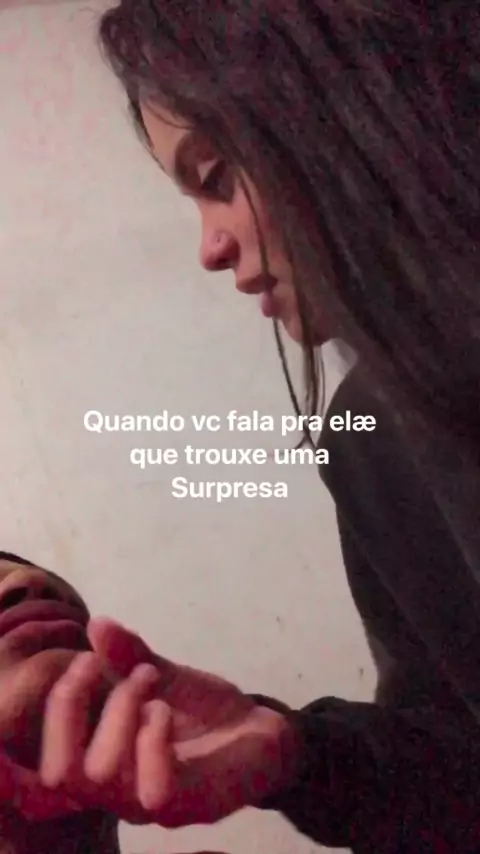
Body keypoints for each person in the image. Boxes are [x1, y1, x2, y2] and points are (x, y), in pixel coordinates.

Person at [3, 1, 480, 851]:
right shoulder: (374, 444)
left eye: (216, 174)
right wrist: (300, 756)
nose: (210, 248)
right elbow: (457, 765)